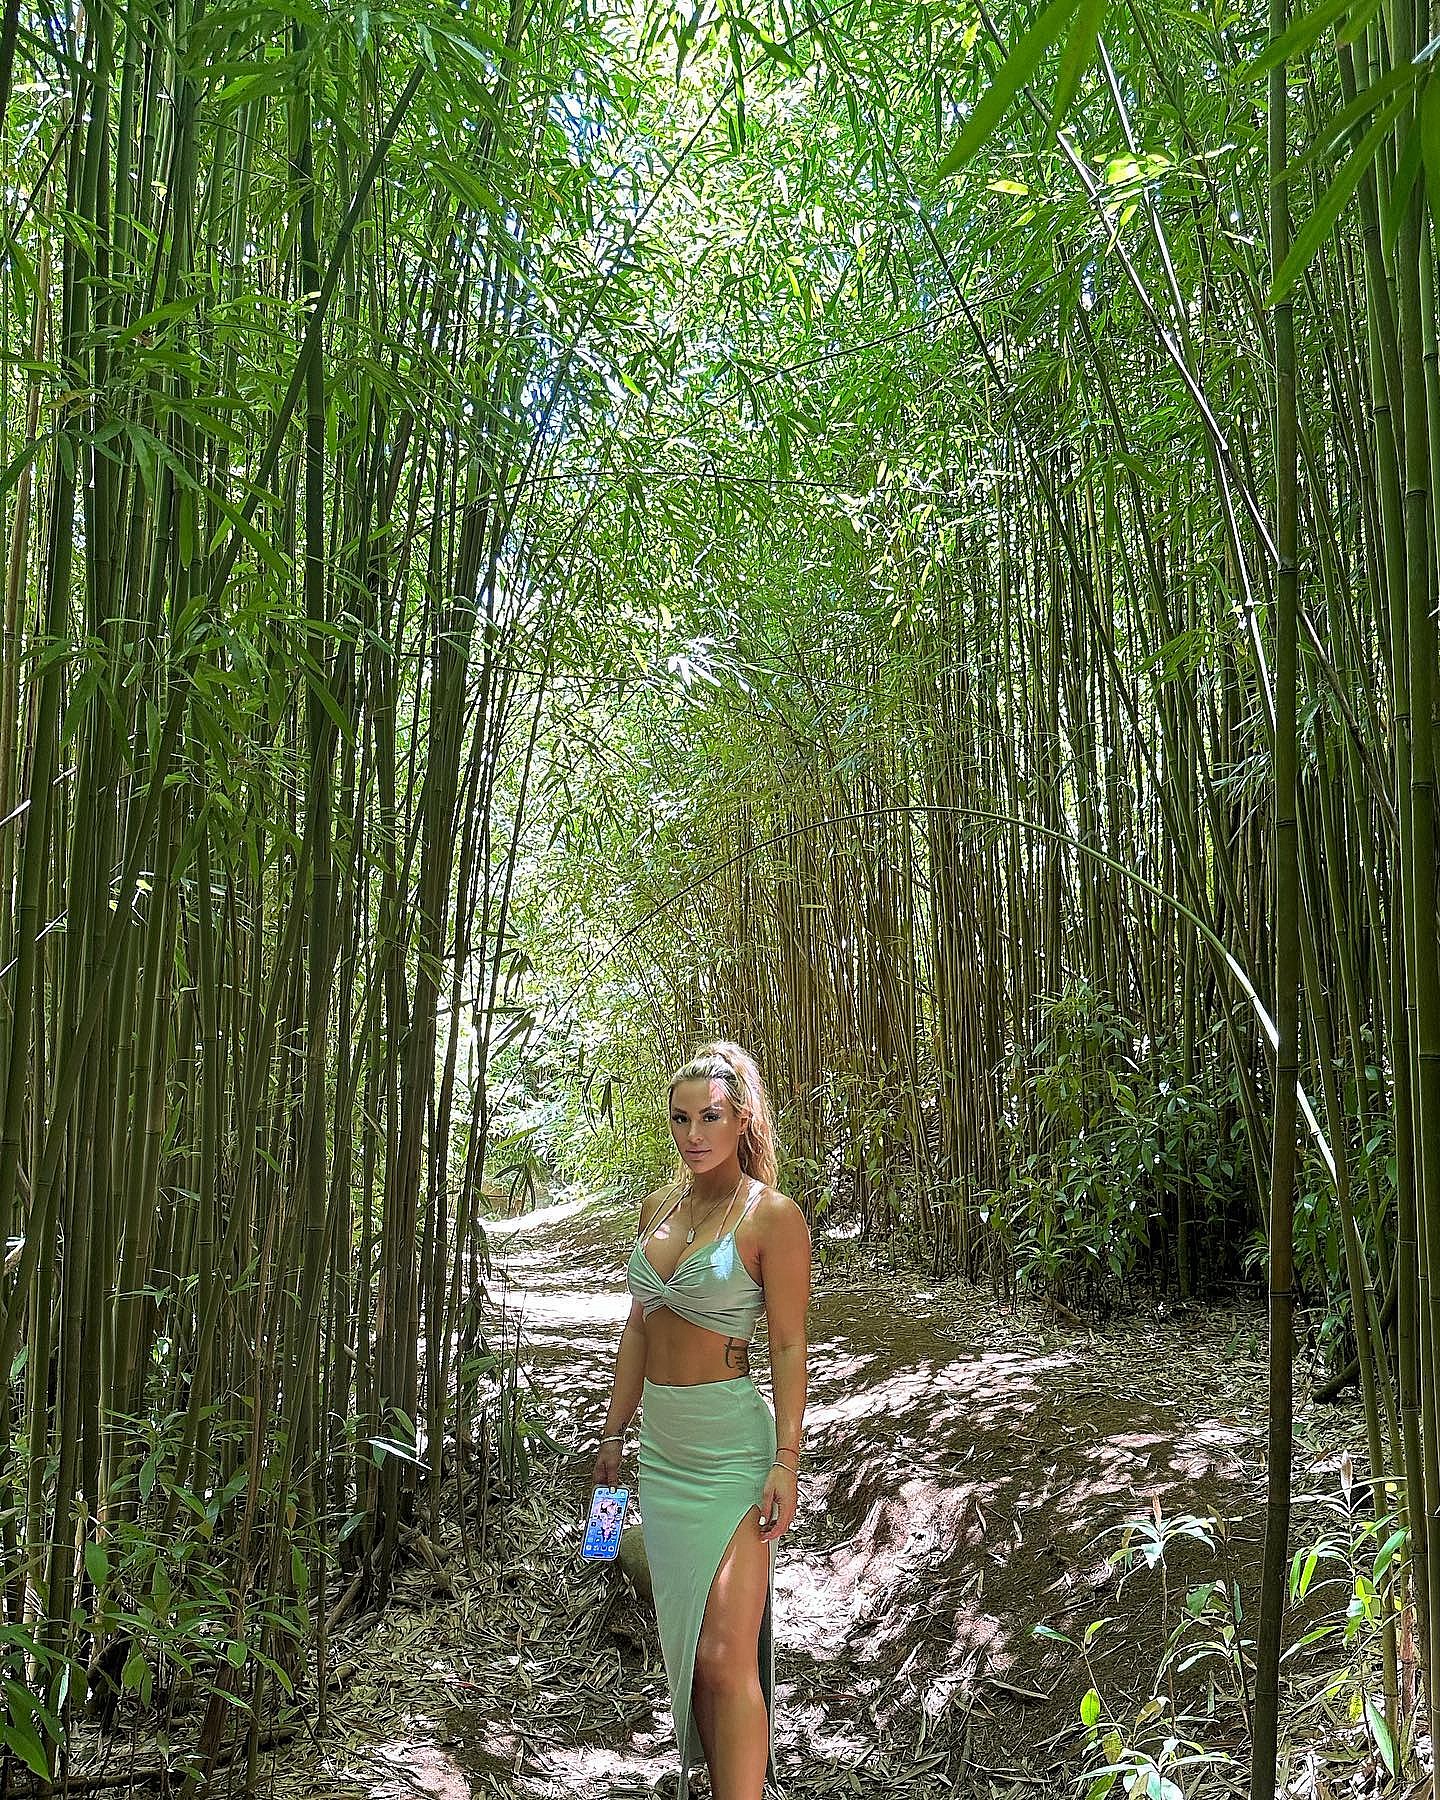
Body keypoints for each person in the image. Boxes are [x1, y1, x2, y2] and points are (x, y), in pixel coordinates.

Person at [591, 1041, 812, 1800]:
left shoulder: (772, 1217)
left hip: (730, 1452)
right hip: (663, 1445)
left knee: (724, 1656)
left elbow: (786, 1343)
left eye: (710, 1117)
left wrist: (787, 1458)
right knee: (687, 1652)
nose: (693, 1134)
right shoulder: (658, 1208)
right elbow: (636, 1330)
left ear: (741, 1116)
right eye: (681, 1119)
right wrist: (615, 1433)